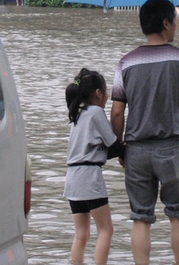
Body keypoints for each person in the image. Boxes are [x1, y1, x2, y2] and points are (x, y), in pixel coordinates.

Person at [110, 0, 179, 265]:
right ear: (166, 23)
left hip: (136, 150)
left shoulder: (125, 63)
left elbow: (116, 111)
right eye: (175, 21)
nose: (177, 26)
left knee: (141, 218)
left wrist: (120, 147)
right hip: (172, 148)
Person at [64, 68, 124, 265]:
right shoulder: (96, 112)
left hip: (72, 180)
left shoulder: (76, 114)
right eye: (106, 91)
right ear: (99, 93)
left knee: (81, 235)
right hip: (89, 178)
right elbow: (113, 145)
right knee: (106, 230)